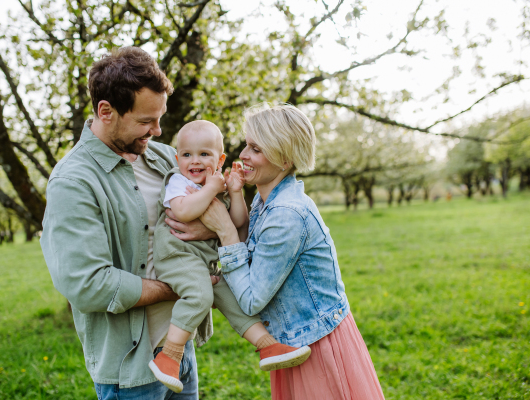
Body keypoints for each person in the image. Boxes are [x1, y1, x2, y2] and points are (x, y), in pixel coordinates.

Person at [40, 46, 216, 399]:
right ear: (106, 111)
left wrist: (208, 230)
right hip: (129, 367)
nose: (159, 130)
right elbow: (87, 283)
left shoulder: (166, 158)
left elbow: (212, 209)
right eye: (146, 121)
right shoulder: (73, 182)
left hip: (177, 348)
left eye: (160, 117)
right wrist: (181, 287)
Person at [198, 103, 386, 400]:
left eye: (255, 149)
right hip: (297, 340)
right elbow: (251, 257)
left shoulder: (286, 213)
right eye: (247, 144)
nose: (243, 155)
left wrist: (225, 230)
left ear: (284, 158)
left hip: (317, 346)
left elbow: (251, 300)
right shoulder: (265, 200)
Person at [148, 120, 311, 393]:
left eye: (204, 154)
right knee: (200, 295)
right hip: (178, 256)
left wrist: (234, 192)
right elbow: (185, 212)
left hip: (207, 260)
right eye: (187, 155)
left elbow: (237, 222)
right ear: (177, 159)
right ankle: (169, 355)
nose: (195, 161)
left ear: (220, 158)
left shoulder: (219, 184)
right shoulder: (178, 181)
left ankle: (266, 345)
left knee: (232, 295)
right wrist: (212, 189)